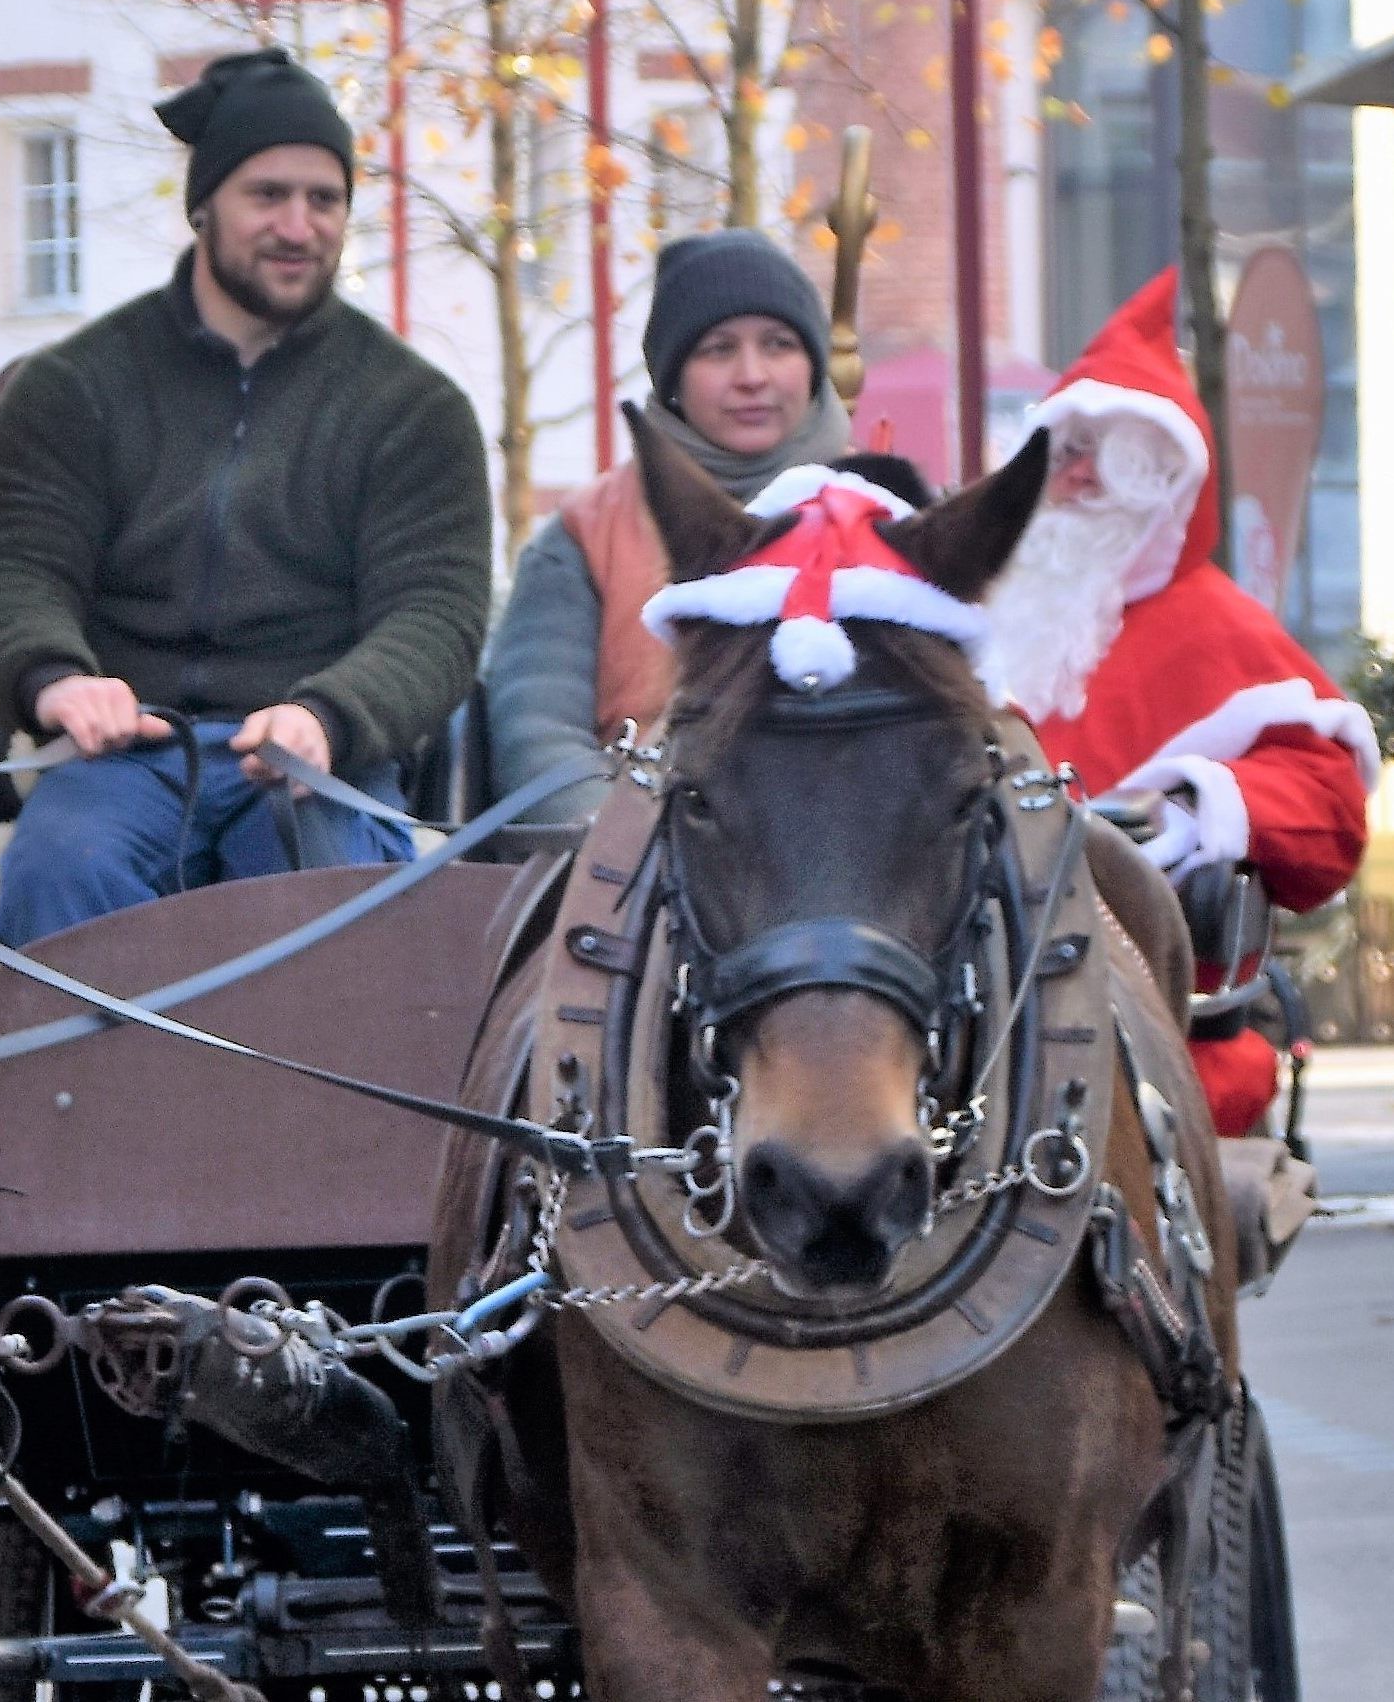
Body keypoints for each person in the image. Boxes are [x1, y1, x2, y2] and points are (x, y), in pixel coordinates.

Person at [0, 48, 491, 946]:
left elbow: (436, 613)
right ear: (203, 206)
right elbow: (16, 568)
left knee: (329, 899)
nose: (299, 225)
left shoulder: (414, 409)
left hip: (318, 761)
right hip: (125, 757)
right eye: (268, 195)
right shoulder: (73, 389)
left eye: (324, 200)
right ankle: (87, 1091)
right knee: (65, 866)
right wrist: (58, 679)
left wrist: (329, 714)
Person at [978, 269, 1375, 1136]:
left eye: (1106, 459)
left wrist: (1203, 807)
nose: (1075, 479)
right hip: (977, 1011)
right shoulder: (990, 613)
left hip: (1158, 1019)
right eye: (1064, 452)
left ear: (1162, 482)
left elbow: (1331, 812)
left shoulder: (1218, 628)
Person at [482, 228, 916, 821]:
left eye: (778, 344)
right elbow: (537, 732)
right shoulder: (587, 534)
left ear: (813, 366)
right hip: (647, 862)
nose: (752, 375)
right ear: (674, 378)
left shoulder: (887, 509)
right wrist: (624, 842)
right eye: (718, 349)